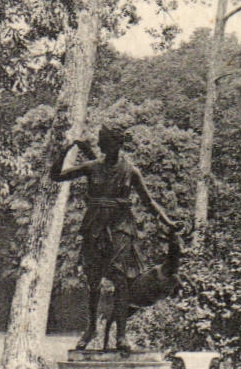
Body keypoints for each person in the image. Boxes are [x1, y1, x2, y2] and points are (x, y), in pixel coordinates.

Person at [51, 125, 176, 351]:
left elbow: (148, 202)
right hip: (96, 226)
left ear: (117, 144)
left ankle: (121, 336)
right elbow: (56, 176)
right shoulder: (92, 167)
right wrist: (66, 149)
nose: (100, 147)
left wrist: (168, 222)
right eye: (100, 143)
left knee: (121, 279)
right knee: (93, 281)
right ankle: (90, 329)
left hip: (121, 226)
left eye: (104, 143)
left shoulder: (130, 171)